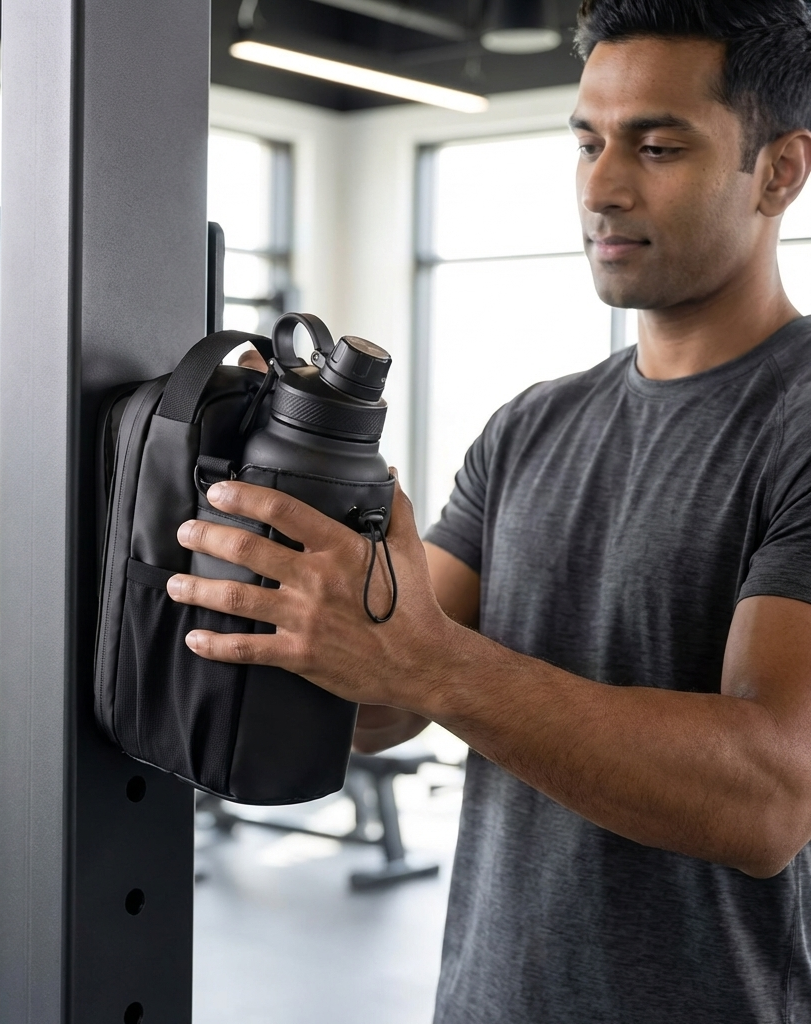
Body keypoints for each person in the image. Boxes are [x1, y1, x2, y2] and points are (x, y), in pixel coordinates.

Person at [168, 0, 811, 1020]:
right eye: (588, 143)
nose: (602, 186)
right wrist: (288, 570)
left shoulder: (796, 421)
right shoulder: (530, 427)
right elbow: (381, 708)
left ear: (778, 170)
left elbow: (767, 796)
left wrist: (419, 655)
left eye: (656, 145)